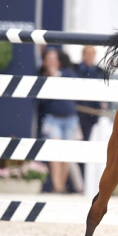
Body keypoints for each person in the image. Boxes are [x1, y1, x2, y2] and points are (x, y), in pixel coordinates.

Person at [38, 48, 81, 193]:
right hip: (53, 119)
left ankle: (61, 186)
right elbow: (42, 101)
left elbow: (75, 87)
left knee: (66, 155)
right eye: (48, 59)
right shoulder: (41, 77)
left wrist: (56, 76)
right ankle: (57, 186)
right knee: (55, 152)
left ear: (58, 61)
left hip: (70, 119)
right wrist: (50, 78)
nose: (51, 62)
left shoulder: (68, 73)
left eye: (53, 59)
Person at [75, 46, 106, 141]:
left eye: (91, 54)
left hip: (92, 111)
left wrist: (104, 103)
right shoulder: (75, 69)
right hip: (77, 110)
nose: (89, 56)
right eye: (87, 54)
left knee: (88, 137)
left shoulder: (99, 72)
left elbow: (103, 89)